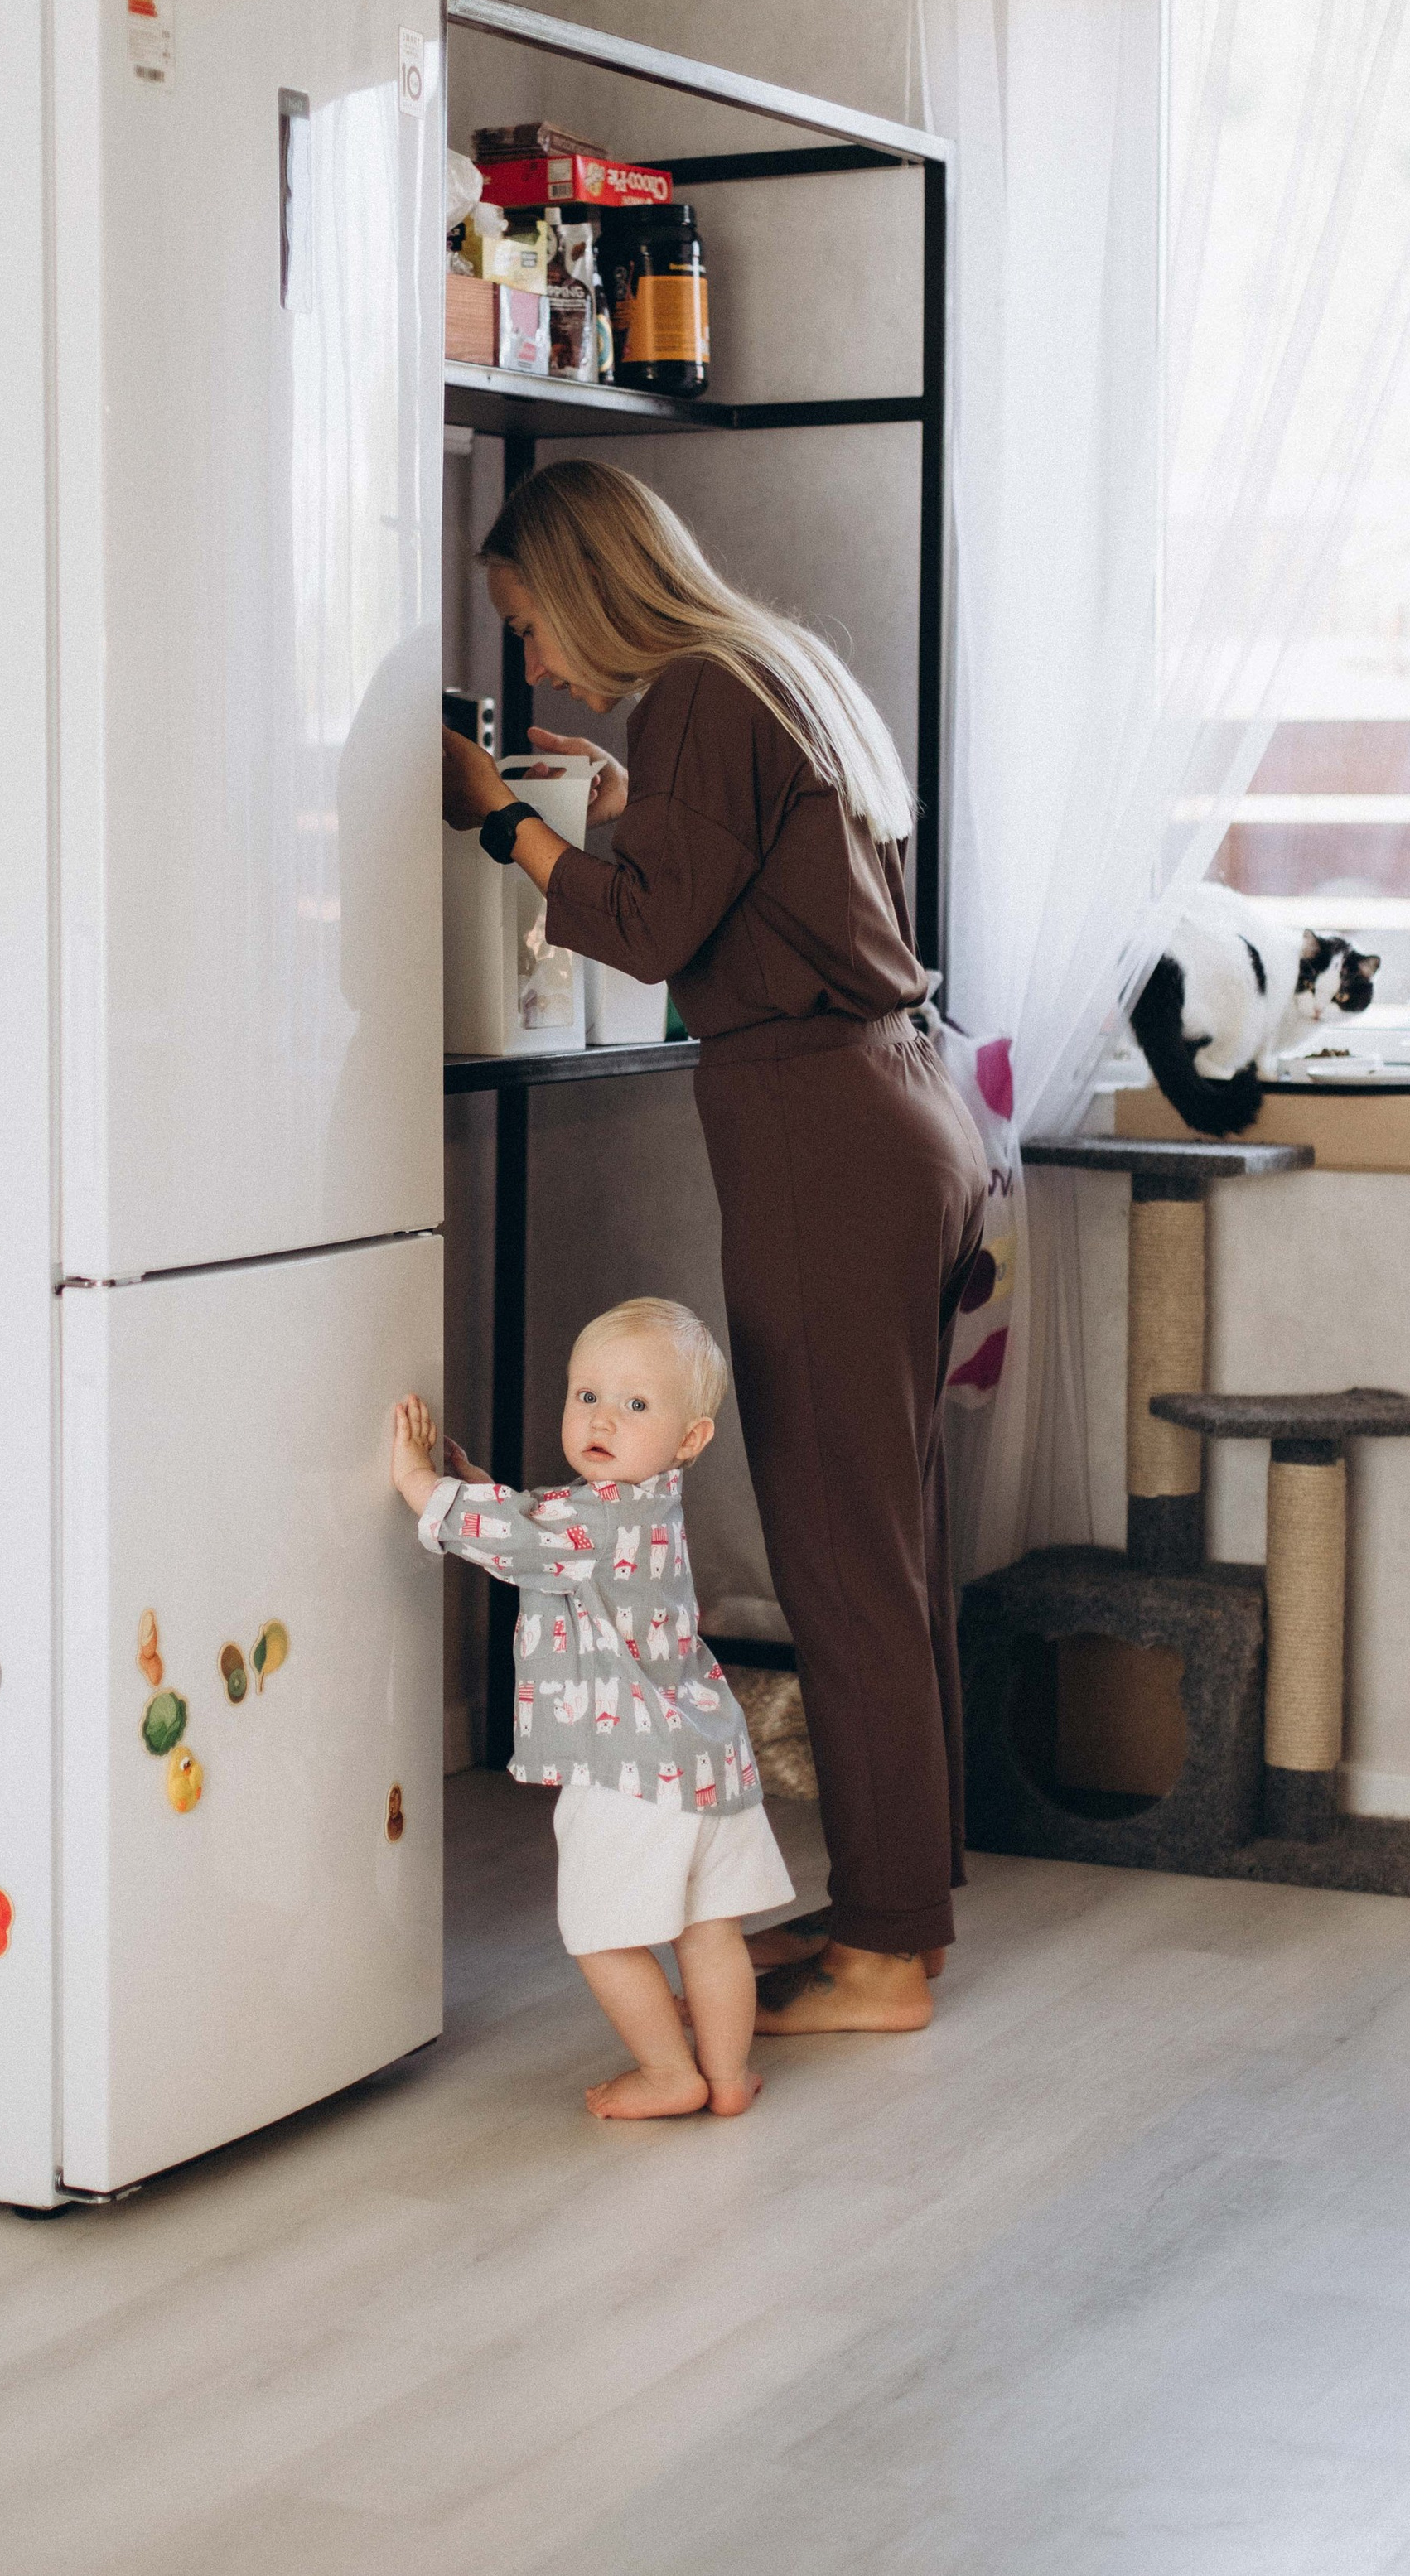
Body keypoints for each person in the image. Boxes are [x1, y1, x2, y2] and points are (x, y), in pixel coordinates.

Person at [442, 460, 987, 2039]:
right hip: (902, 1105)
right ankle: (903, 1909)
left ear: (591, 587)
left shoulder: (693, 689)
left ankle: (887, 1958)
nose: (535, 664)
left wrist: (506, 831)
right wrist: (618, 811)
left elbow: (648, 932)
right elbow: (751, 881)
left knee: (839, 1555)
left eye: (531, 623)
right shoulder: (772, 668)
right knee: (887, 1550)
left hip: (826, 1135)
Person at [392, 1297, 794, 2120]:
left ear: (690, 1439)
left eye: (635, 1405)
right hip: (708, 1759)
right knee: (709, 1929)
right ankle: (724, 2078)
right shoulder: (643, 1508)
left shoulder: (585, 1521)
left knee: (603, 1934)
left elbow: (526, 1538)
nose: (603, 1416)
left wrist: (419, 1485)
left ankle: (666, 2074)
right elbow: (541, 1536)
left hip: (630, 1776)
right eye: (587, 1396)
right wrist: (474, 1487)